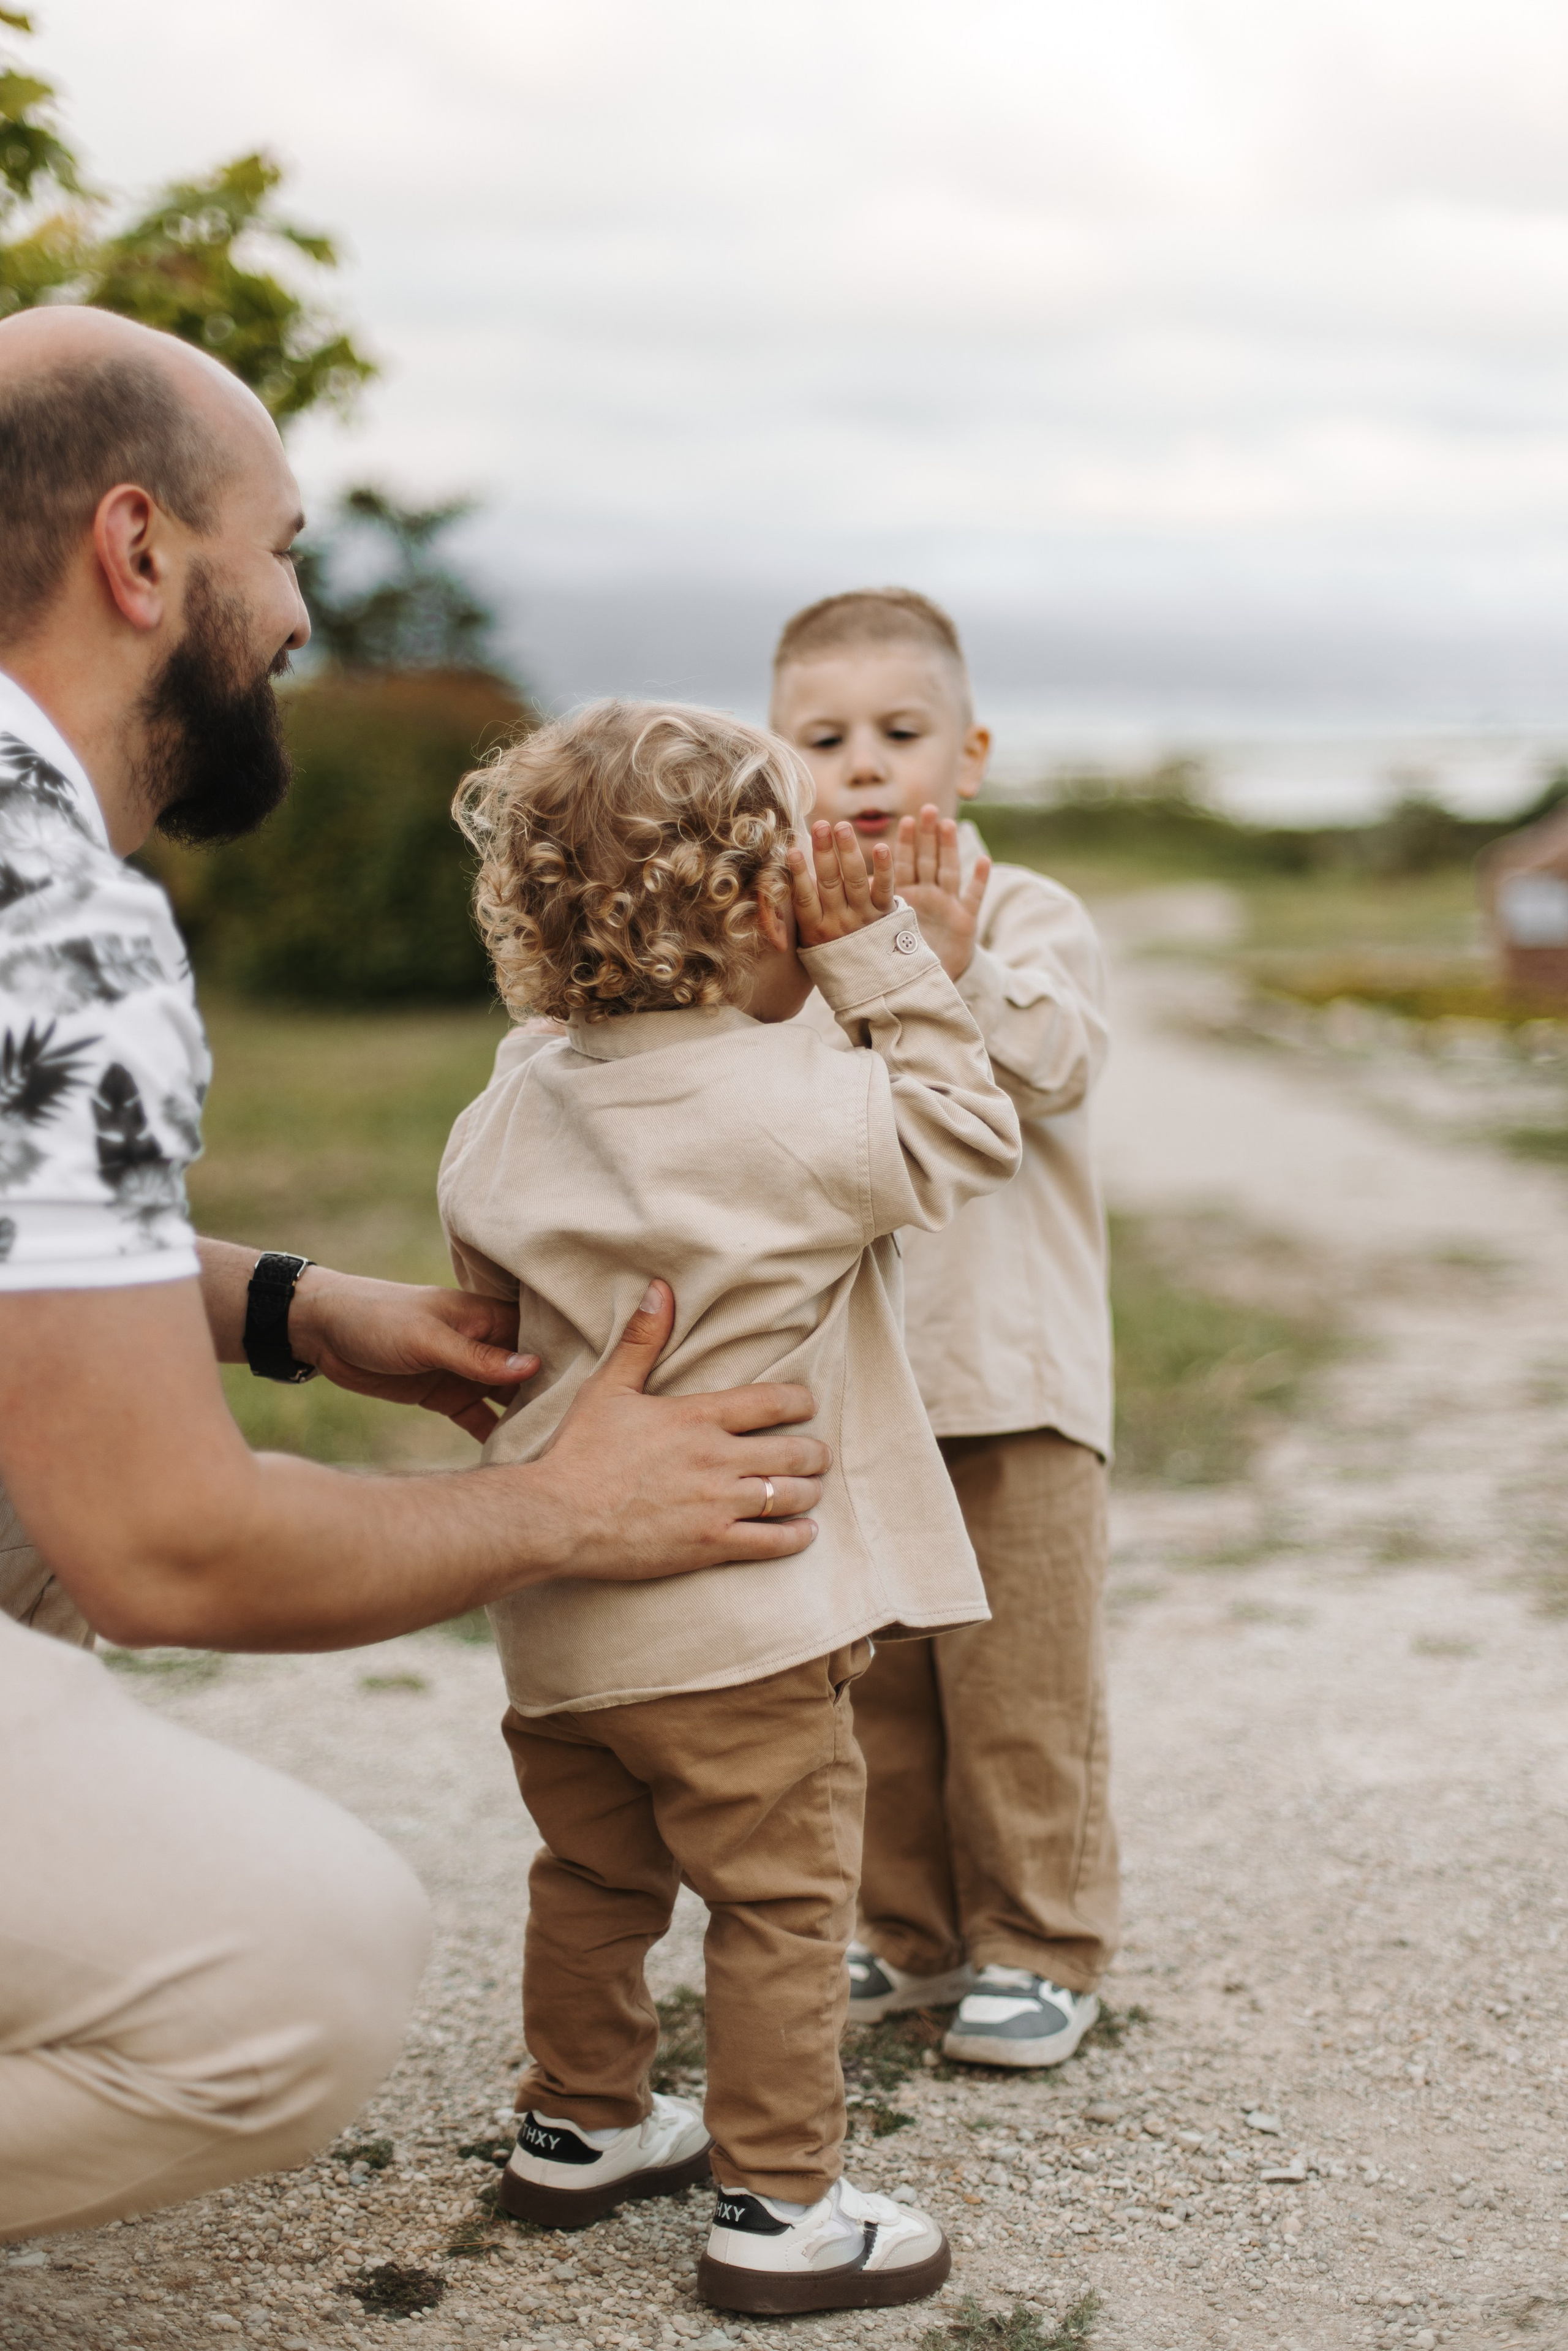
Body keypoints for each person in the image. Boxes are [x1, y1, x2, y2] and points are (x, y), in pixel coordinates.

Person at [0, 308, 831, 2244]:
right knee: (303, 1960)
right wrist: (558, 1506)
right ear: (140, 553)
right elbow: (172, 1550)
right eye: (278, 545)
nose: (299, 612)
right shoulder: (53, 910)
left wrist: (288, 1304)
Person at [437, 701, 1022, 2313]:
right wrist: (888, 963)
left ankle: (578, 2118)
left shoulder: (511, 1101)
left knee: (596, 1875)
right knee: (776, 1900)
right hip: (740, 1614)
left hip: (559, 1613)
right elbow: (971, 1126)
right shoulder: (795, 1113)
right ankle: (779, 2202)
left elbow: (491, 1286)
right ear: (774, 906)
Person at [771, 588, 1118, 2069]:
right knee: (879, 1691)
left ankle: (1042, 1940)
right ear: (777, 762)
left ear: (963, 755)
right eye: (822, 738)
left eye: (897, 735)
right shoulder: (786, 931)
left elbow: (1051, 1063)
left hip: (1015, 1375)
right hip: (864, 1386)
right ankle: (900, 1930)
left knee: (1019, 1686)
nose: (861, 767)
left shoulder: (1025, 911)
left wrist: (949, 960)